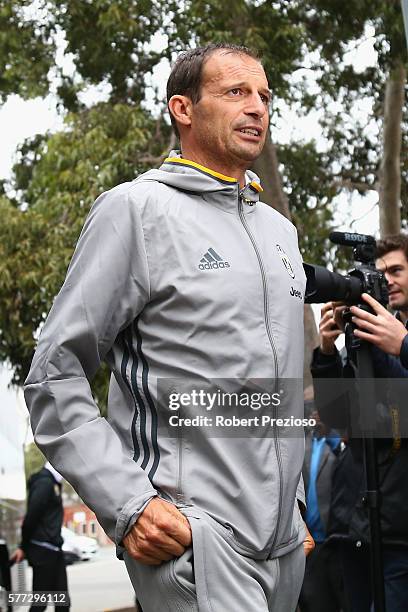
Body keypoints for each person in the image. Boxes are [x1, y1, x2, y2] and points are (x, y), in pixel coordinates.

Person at [24, 43, 311, 611]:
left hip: (285, 549)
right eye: (236, 92)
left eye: (264, 96)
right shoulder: (135, 211)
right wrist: (129, 502)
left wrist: (295, 505)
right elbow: (54, 375)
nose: (257, 107)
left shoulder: (281, 233)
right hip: (194, 538)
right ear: (183, 108)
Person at [311, 233, 408, 612]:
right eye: (380, 274)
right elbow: (337, 418)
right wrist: (325, 352)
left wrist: (400, 344)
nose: (388, 281)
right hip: (355, 528)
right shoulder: (364, 340)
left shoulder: (392, 341)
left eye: (397, 270)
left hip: (401, 535)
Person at [10, 463, 70, 611]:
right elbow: (31, 517)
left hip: (54, 550)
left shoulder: (52, 483)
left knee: (62, 603)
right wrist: (23, 546)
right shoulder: (44, 483)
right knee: (40, 604)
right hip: (43, 551)